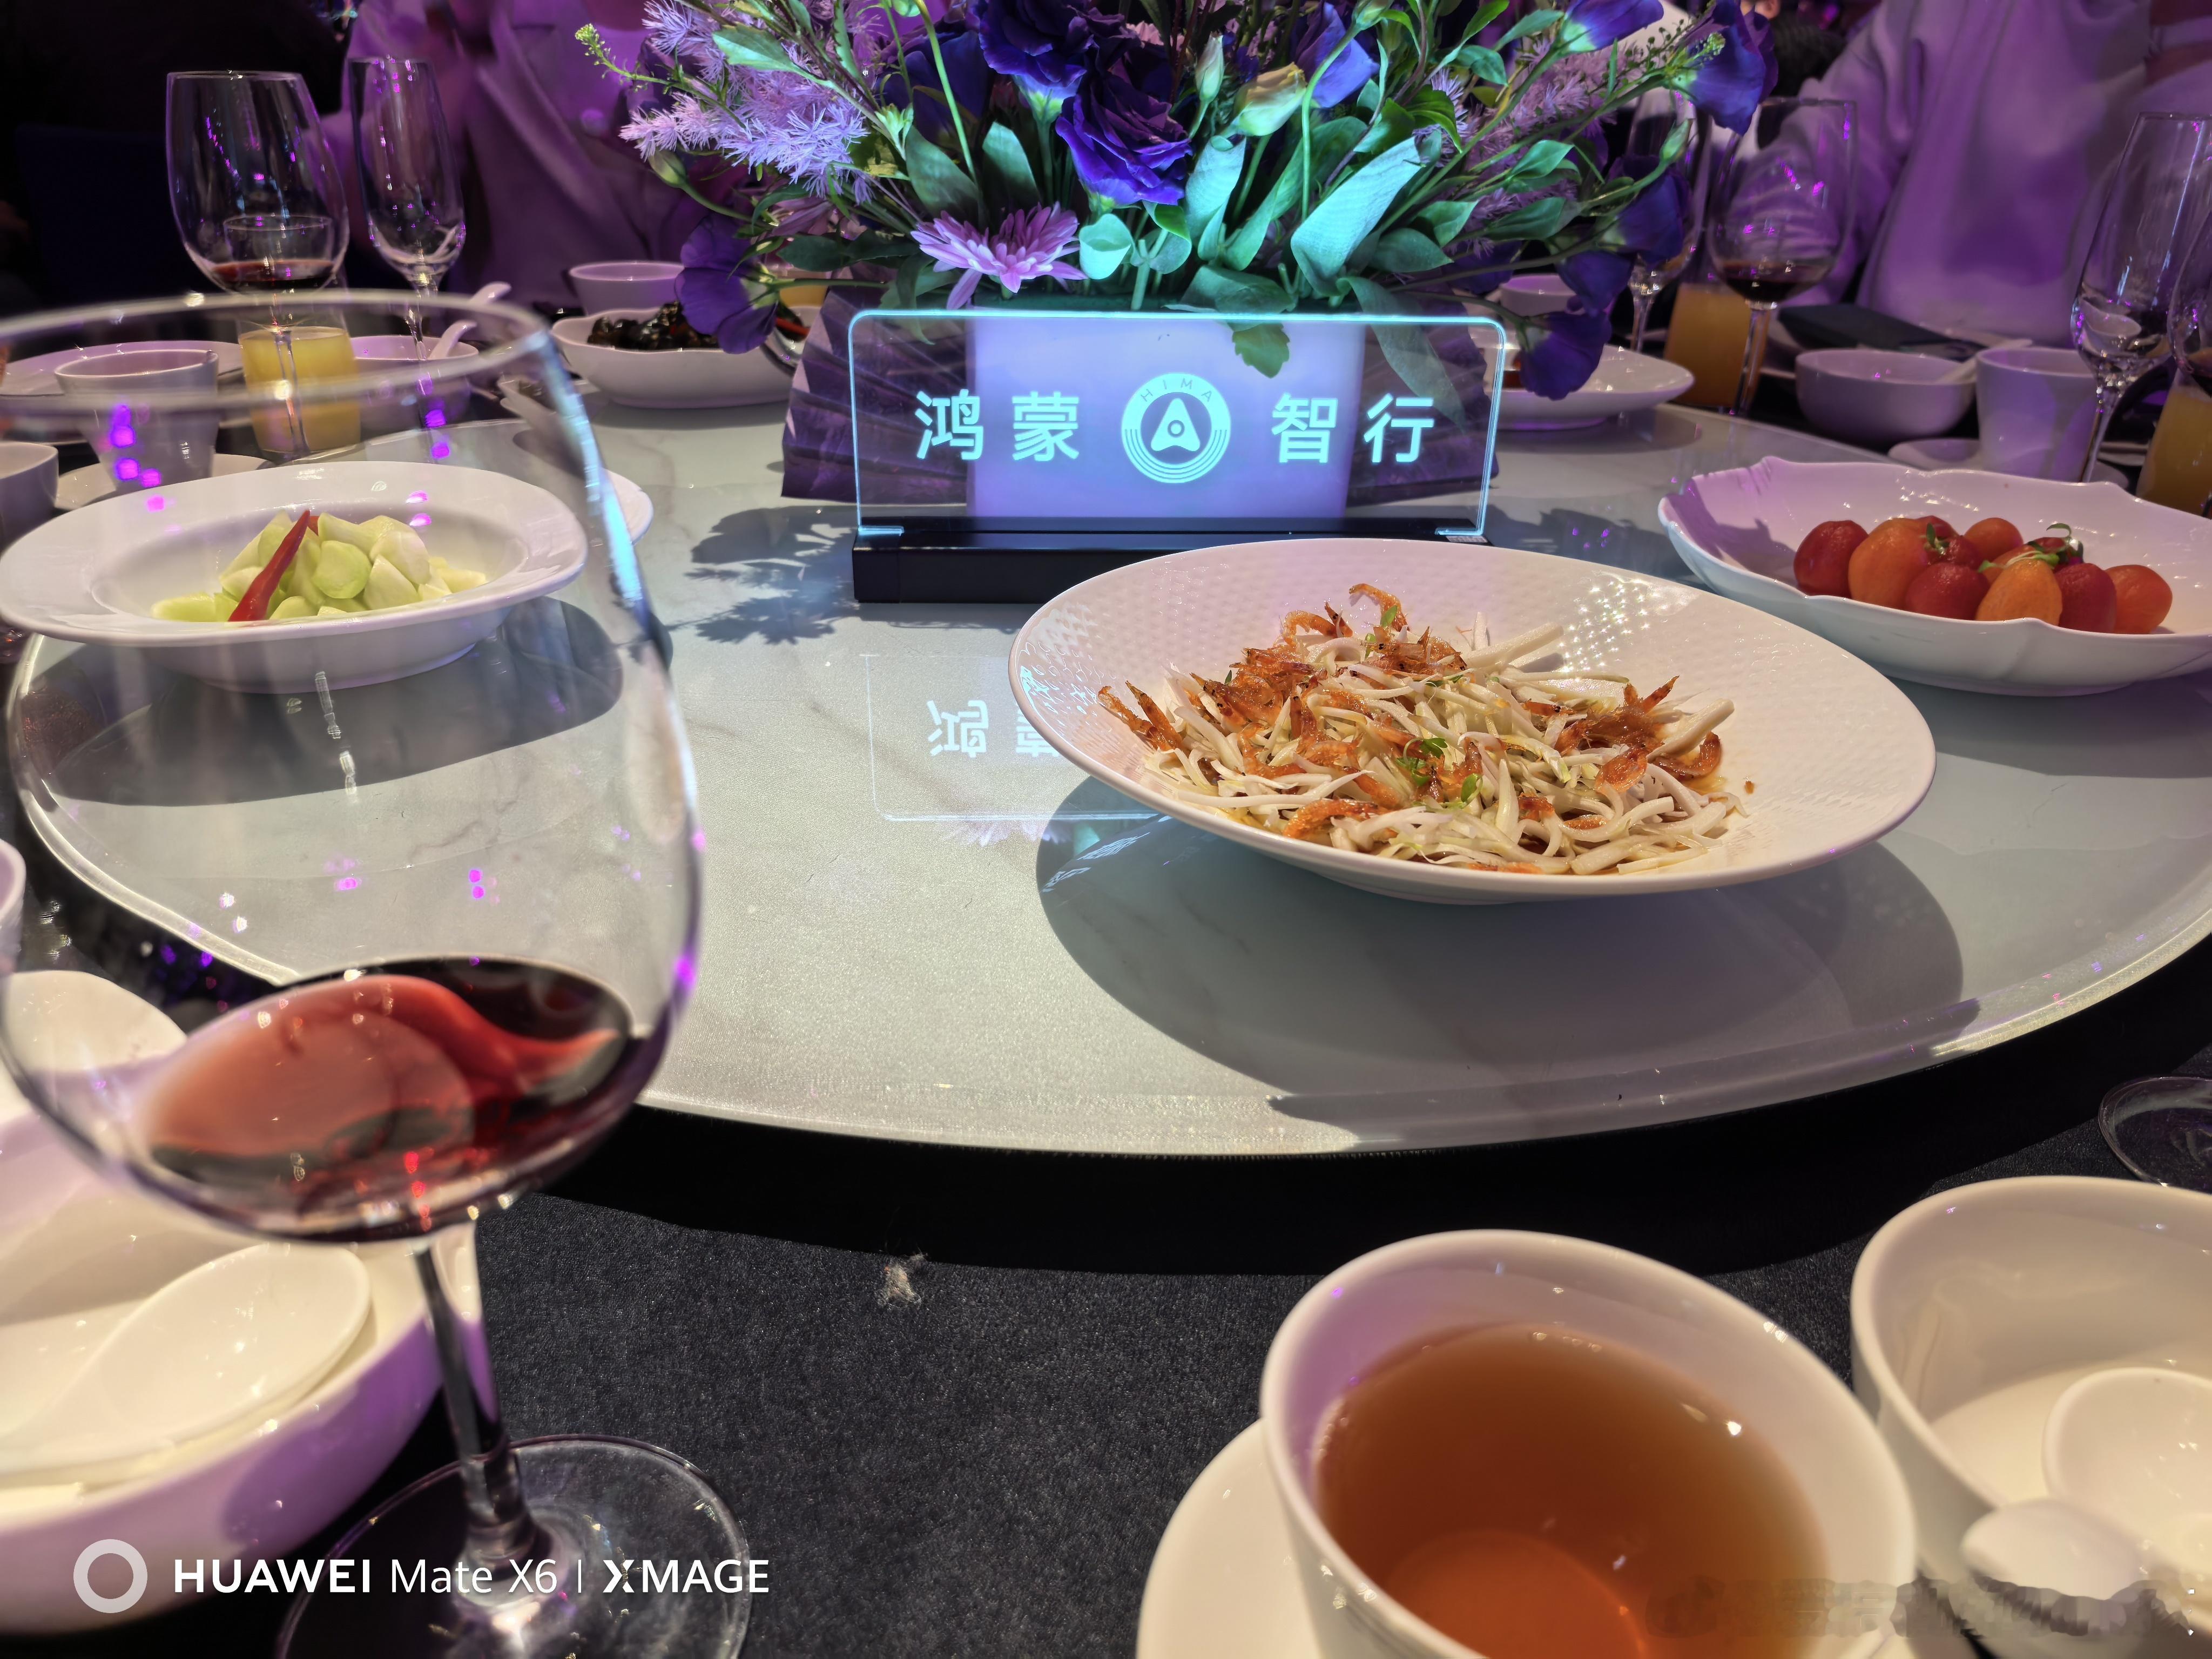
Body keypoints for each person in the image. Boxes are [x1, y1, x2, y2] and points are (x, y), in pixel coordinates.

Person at [1792, 0, 2212, 343]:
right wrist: (1800, 345)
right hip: (1890, 376)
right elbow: (1802, 185)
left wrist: (2186, 40)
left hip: (2102, 405)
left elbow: (2174, 306)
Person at [335, 0, 703, 310]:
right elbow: (388, 216)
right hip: (523, 352)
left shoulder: (730, 17)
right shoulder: (419, 12)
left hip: (726, 350)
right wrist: (453, 60)